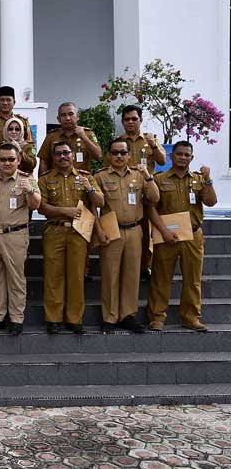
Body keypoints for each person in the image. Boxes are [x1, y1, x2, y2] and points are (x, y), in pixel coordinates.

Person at [147, 141, 217, 331]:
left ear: (192, 158)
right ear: (171, 156)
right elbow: (151, 208)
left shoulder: (198, 179)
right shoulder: (159, 179)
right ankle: (157, 317)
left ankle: (191, 317)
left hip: (192, 235)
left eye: (187, 155)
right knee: (161, 278)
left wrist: (208, 179)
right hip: (166, 236)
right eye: (179, 154)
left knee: (193, 279)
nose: (183, 157)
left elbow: (211, 202)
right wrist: (164, 231)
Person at [38, 141, 104, 334]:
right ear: (53, 158)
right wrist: (64, 211)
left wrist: (89, 188)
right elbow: (41, 207)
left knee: (76, 275)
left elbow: (100, 201)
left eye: (66, 153)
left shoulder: (85, 177)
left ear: (73, 155)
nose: (62, 157)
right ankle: (53, 318)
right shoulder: (45, 178)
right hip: (54, 230)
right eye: (58, 154)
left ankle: (75, 319)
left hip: (79, 232)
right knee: (53, 276)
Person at [94, 138, 159, 333]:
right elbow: (92, 207)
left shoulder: (139, 175)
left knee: (132, 275)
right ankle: (110, 317)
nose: (119, 156)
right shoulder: (100, 176)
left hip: (134, 230)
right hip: (111, 230)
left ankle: (128, 315)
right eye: (115, 153)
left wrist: (148, 175)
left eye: (123, 152)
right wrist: (99, 231)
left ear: (129, 155)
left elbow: (154, 198)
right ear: (109, 155)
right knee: (110, 275)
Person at [0, 143, 40, 335]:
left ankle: (16, 318)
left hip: (15, 234)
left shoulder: (27, 179)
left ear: (19, 160)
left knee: (16, 278)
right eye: (3, 159)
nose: (7, 163)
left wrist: (30, 192)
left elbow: (36, 205)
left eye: (11, 159)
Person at [113, 105, 166, 280]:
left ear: (140, 120)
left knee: (147, 232)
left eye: (134, 118)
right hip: (124, 194)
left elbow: (162, 160)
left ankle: (146, 265)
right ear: (122, 122)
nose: (130, 122)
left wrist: (153, 145)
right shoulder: (118, 142)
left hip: (146, 192)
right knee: (130, 230)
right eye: (127, 119)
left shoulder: (150, 140)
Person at [38, 103, 101, 173]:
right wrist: (42, 181)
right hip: (57, 180)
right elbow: (44, 161)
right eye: (63, 115)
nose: (67, 118)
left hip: (82, 180)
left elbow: (98, 156)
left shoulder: (88, 134)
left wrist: (83, 137)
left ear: (77, 116)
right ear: (58, 119)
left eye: (71, 114)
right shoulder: (51, 136)